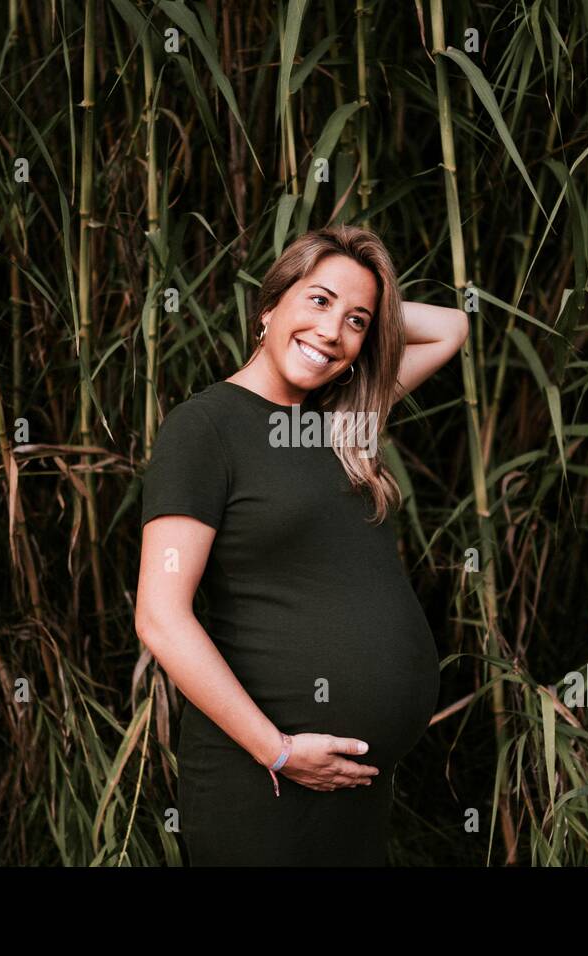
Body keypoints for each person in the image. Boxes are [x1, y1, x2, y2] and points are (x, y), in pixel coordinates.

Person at [134, 224, 469, 865]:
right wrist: (278, 750)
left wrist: (365, 292)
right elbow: (159, 616)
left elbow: (451, 327)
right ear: (269, 308)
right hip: (265, 782)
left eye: (357, 321)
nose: (332, 332)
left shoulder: (339, 425)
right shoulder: (204, 429)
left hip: (351, 786)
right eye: (317, 301)